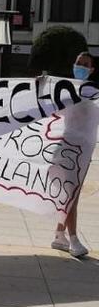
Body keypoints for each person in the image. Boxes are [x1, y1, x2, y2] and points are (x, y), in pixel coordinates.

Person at [51, 51, 94, 257]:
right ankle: (74, 239)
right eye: (79, 63)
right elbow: (45, 105)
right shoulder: (64, 90)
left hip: (84, 151)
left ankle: (60, 235)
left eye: (85, 64)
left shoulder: (93, 93)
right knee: (72, 196)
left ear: (92, 70)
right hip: (67, 149)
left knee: (69, 195)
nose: (81, 67)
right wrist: (39, 86)